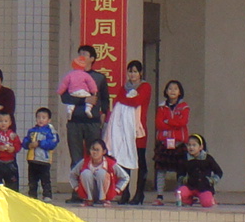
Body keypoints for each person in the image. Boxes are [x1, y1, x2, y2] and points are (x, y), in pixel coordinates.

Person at [58, 45, 107, 181]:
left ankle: (93, 187)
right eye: (79, 54)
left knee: (95, 156)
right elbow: (64, 97)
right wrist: (84, 100)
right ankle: (77, 188)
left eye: (85, 54)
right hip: (74, 121)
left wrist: (104, 114)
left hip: (93, 122)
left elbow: (104, 99)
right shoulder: (71, 76)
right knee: (76, 157)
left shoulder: (99, 77)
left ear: (92, 58)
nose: (81, 56)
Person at [109, 59, 151, 205]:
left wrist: (124, 100)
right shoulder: (124, 87)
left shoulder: (145, 86)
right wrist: (125, 99)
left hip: (138, 130)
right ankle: (124, 192)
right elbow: (117, 101)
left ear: (140, 73)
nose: (132, 74)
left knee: (140, 160)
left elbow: (136, 101)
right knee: (123, 161)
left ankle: (139, 193)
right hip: (124, 130)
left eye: (135, 72)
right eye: (130, 71)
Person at [153, 80, 191, 202]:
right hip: (164, 143)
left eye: (175, 88)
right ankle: (159, 196)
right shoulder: (161, 107)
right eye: (170, 88)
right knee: (161, 170)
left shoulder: (184, 107)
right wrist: (174, 123)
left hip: (179, 143)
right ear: (166, 91)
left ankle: (179, 196)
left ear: (180, 92)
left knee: (180, 171)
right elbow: (159, 124)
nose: (172, 91)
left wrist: (168, 121)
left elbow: (183, 122)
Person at [72, 137, 125, 206]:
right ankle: (89, 200)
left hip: (105, 193)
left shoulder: (110, 163)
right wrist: (77, 188)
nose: (94, 152)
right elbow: (72, 175)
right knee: (85, 173)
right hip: (89, 193)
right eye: (92, 149)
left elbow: (125, 177)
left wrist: (116, 190)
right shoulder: (85, 161)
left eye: (97, 150)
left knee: (101, 173)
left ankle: (102, 200)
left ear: (104, 151)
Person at [178, 133, 225, 208]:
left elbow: (219, 172)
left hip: (204, 187)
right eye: (189, 145)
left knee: (207, 203)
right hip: (190, 186)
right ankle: (189, 200)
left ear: (201, 147)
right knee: (180, 193)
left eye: (194, 145)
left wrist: (211, 181)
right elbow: (180, 174)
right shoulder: (185, 159)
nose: (191, 147)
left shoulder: (207, 158)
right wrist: (185, 180)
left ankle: (210, 199)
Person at [25, 108, 60, 200]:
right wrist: (28, 144)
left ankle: (47, 195)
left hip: (44, 160)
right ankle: (32, 195)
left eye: (43, 118)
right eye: (38, 117)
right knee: (32, 180)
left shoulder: (50, 131)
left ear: (49, 120)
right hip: (32, 159)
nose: (41, 119)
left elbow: (53, 143)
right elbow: (25, 141)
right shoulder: (32, 131)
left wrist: (39, 143)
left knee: (45, 180)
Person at [0, 110, 23, 193]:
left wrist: (13, 149)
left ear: (10, 123)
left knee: (12, 184)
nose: (3, 123)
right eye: (0, 121)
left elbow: (18, 145)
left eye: (6, 121)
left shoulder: (13, 135)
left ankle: (11, 197)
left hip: (10, 162)